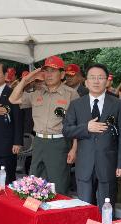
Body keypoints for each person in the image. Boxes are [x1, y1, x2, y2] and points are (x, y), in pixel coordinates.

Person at [9, 56, 79, 195]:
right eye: (46, 71)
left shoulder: (71, 94)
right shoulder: (36, 93)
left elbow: (77, 124)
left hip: (59, 143)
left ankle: (57, 214)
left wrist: (74, 149)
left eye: (53, 71)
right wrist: (26, 79)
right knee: (35, 182)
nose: (49, 75)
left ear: (62, 74)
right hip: (39, 142)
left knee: (58, 184)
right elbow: (13, 99)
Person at [63, 63, 121, 208]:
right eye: (92, 78)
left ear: (107, 81)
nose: (96, 81)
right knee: (84, 207)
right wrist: (86, 128)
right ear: (86, 82)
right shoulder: (76, 104)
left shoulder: (118, 104)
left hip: (108, 163)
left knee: (106, 207)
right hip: (84, 163)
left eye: (100, 77)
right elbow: (67, 130)